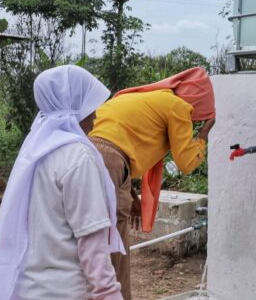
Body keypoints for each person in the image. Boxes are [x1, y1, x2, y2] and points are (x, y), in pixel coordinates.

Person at [0, 65, 124, 300]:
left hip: (24, 289)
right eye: (91, 106)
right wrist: (108, 293)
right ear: (75, 105)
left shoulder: (34, 152)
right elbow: (91, 238)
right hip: (63, 292)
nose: (96, 117)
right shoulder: (78, 157)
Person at [88, 67, 216, 300]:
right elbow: (186, 163)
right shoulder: (178, 106)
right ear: (197, 102)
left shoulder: (140, 99)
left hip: (85, 156)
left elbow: (116, 142)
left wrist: (130, 194)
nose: (193, 120)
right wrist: (204, 134)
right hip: (110, 163)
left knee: (88, 240)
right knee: (113, 249)